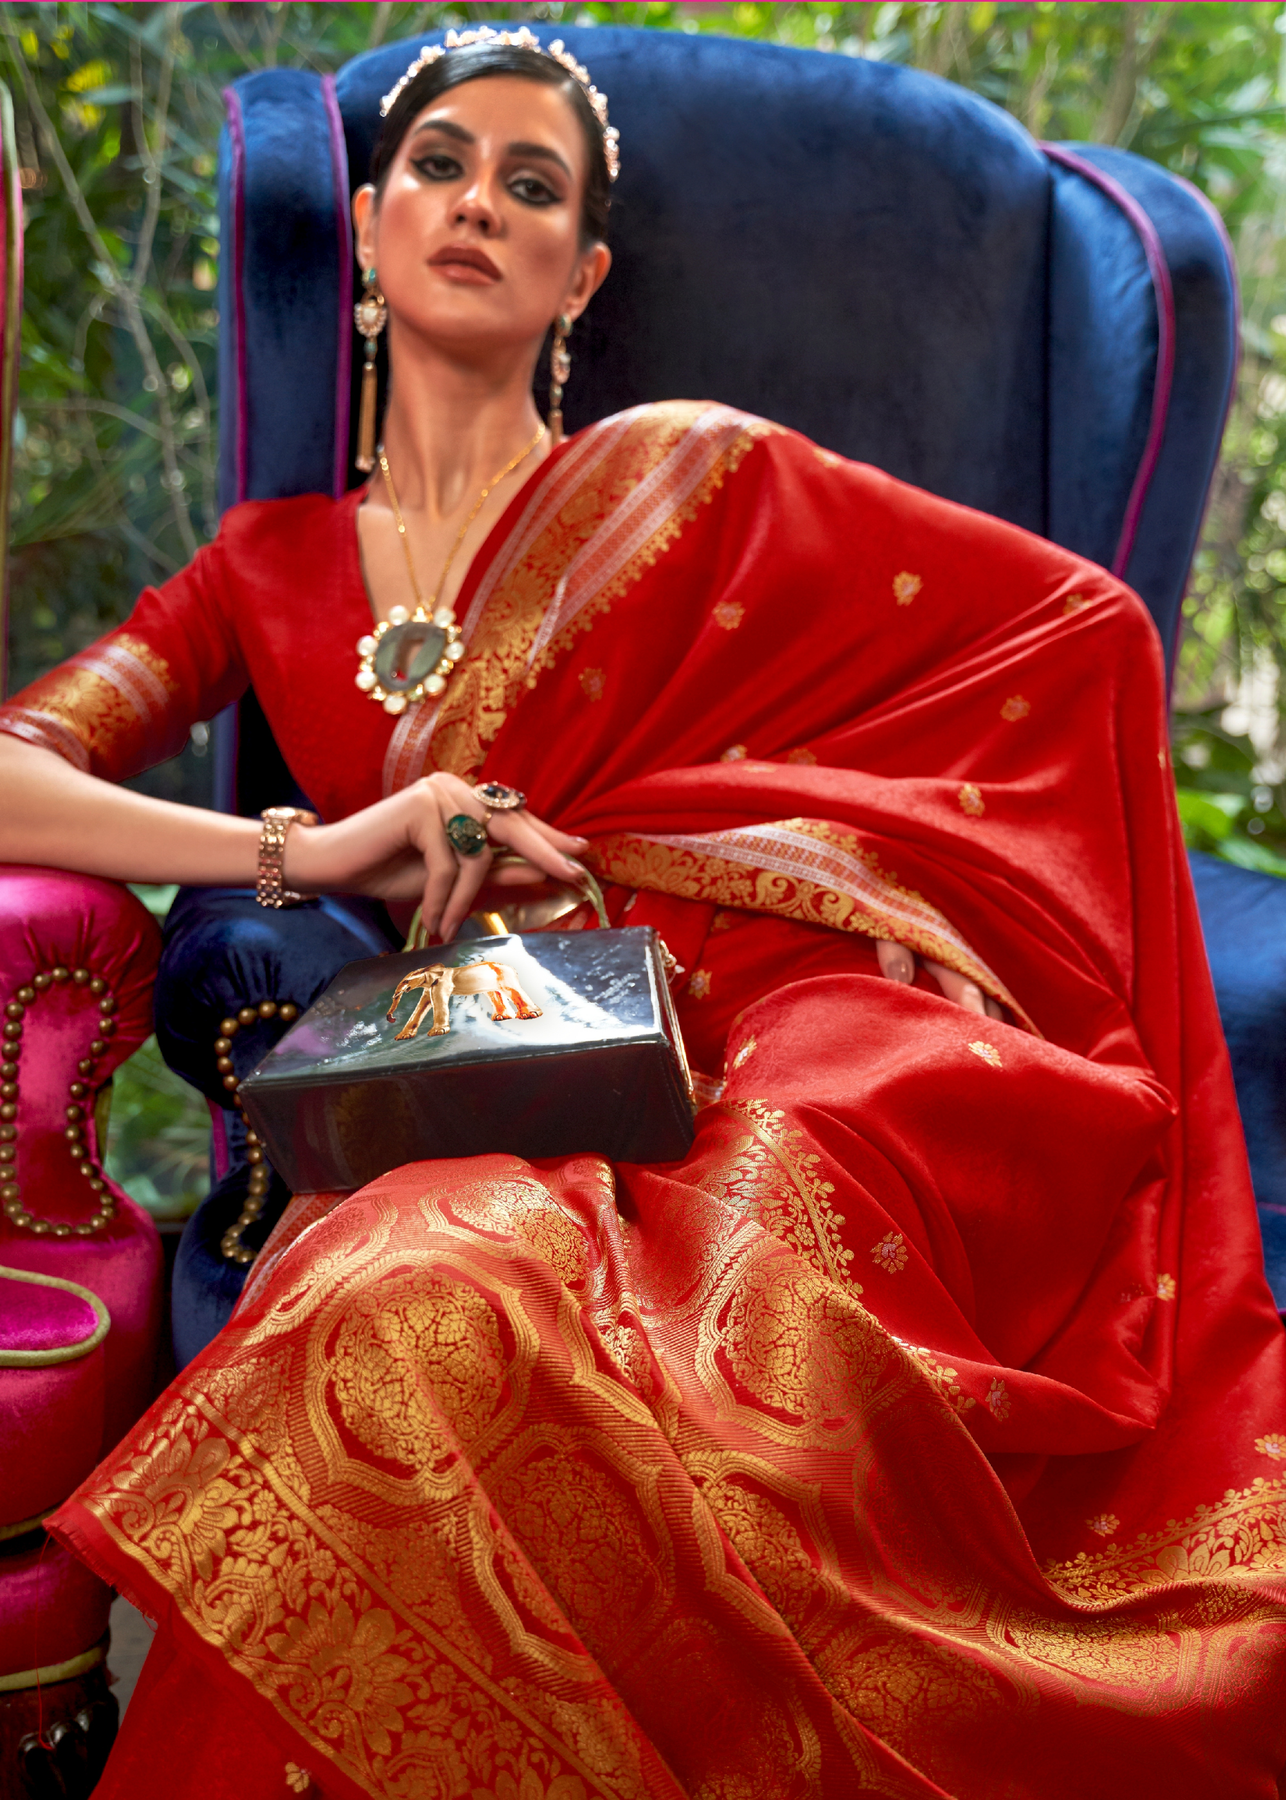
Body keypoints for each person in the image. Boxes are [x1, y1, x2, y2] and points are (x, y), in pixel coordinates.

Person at [1, 27, 1284, 1800]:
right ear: (366, 228)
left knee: (756, 1315)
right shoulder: (264, 568)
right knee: (404, 1299)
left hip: (798, 1008)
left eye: (531, 186)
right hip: (509, 1047)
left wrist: (898, 876)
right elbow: (16, 772)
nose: (479, 204)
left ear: (580, 275)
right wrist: (333, 848)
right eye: (441, 165)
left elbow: (1079, 634)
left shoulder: (691, 470)